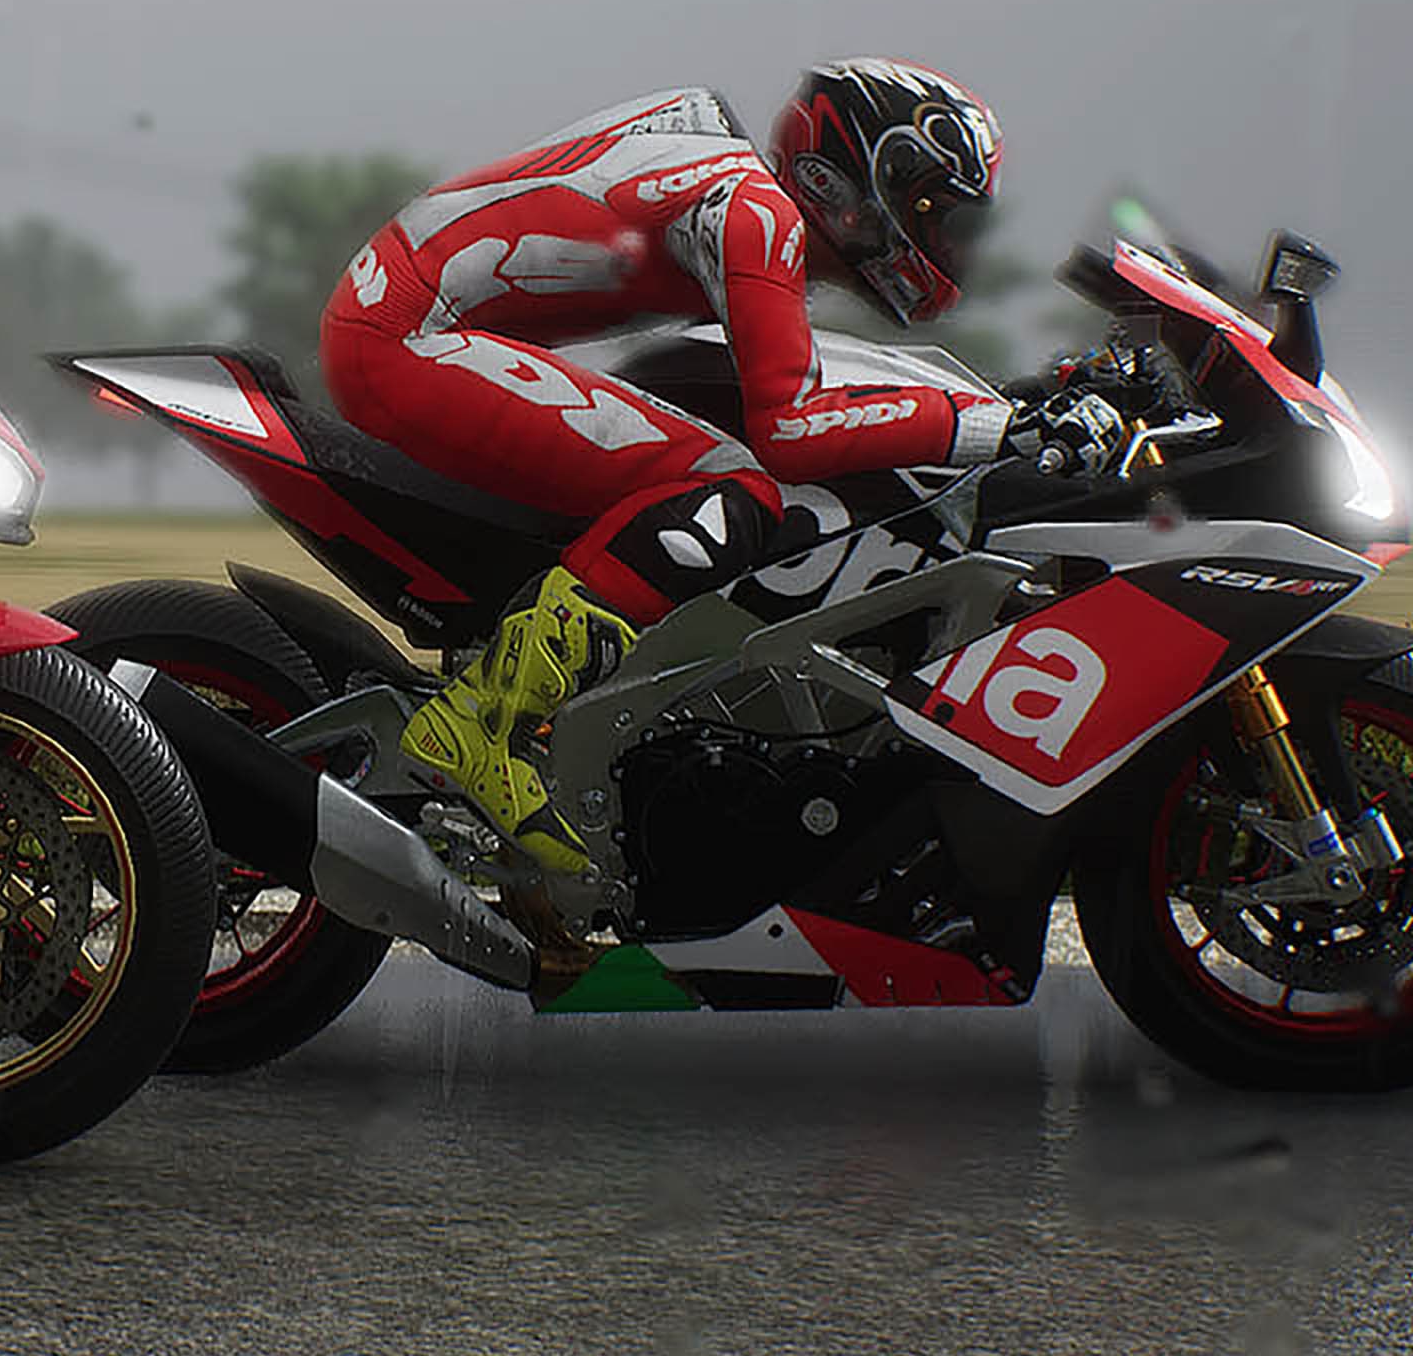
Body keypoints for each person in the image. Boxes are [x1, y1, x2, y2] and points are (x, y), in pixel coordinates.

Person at [317, 58, 1121, 874]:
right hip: (406, 334)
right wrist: (993, 427)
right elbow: (794, 429)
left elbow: (805, 389)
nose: (945, 242)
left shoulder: (742, 199)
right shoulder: (754, 212)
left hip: (409, 318)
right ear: (853, 180)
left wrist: (1012, 403)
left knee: (704, 461)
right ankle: (484, 720)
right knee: (730, 488)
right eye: (931, 212)